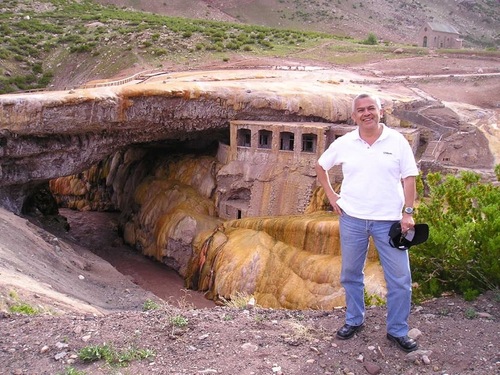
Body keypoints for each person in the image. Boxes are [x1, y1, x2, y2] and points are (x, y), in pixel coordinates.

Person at [315, 93, 419, 352]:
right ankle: (354, 320)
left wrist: (408, 212)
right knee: (351, 274)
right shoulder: (346, 142)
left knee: (400, 278)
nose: (366, 113)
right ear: (354, 116)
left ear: (380, 111)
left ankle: (397, 330)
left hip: (389, 222)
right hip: (352, 219)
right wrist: (331, 195)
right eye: (361, 110)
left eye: (371, 108)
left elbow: (409, 178)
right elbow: (321, 166)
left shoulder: (397, 141)